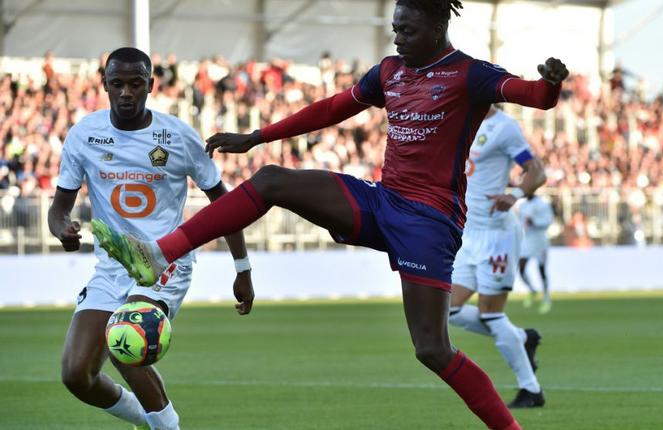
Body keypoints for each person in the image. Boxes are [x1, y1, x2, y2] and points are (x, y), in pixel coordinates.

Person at [95, 2, 568, 429]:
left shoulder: (470, 74)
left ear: (438, 25)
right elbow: (331, 109)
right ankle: (160, 253)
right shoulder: (390, 72)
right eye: (395, 28)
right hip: (383, 202)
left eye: (407, 29)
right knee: (271, 180)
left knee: (432, 349)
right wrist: (257, 137)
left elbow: (533, 96)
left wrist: (549, 83)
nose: (397, 37)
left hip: (429, 223)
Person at [48, 47, 254, 430]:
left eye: (135, 83)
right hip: (112, 268)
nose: (126, 92)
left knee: (127, 339)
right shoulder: (85, 135)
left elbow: (225, 204)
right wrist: (62, 229)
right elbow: (59, 208)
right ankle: (145, 420)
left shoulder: (177, 136)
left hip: (165, 263)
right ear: (105, 86)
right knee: (76, 375)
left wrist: (242, 268)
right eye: (117, 84)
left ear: (150, 85)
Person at [449, 105, 547, 408]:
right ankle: (520, 337)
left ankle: (531, 390)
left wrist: (515, 195)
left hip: (497, 234)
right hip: (469, 233)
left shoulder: (503, 127)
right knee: (446, 310)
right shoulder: (456, 120)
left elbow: (536, 170)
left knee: (491, 312)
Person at [516, 192, 554, 313]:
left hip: (540, 242)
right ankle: (532, 290)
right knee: (521, 268)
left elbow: (548, 221)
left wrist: (535, 222)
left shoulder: (542, 204)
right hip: (527, 241)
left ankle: (546, 298)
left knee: (541, 270)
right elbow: (520, 222)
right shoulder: (523, 205)